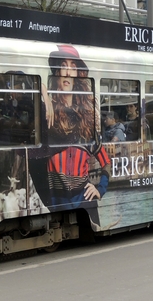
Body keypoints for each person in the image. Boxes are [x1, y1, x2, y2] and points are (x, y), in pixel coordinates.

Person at [43, 45, 111, 211]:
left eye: (72, 67)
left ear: (77, 77)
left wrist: (100, 189)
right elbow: (19, 76)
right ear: (56, 75)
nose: (67, 72)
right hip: (56, 202)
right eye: (63, 66)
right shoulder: (47, 115)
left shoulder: (86, 125)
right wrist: (42, 92)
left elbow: (106, 163)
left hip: (85, 201)